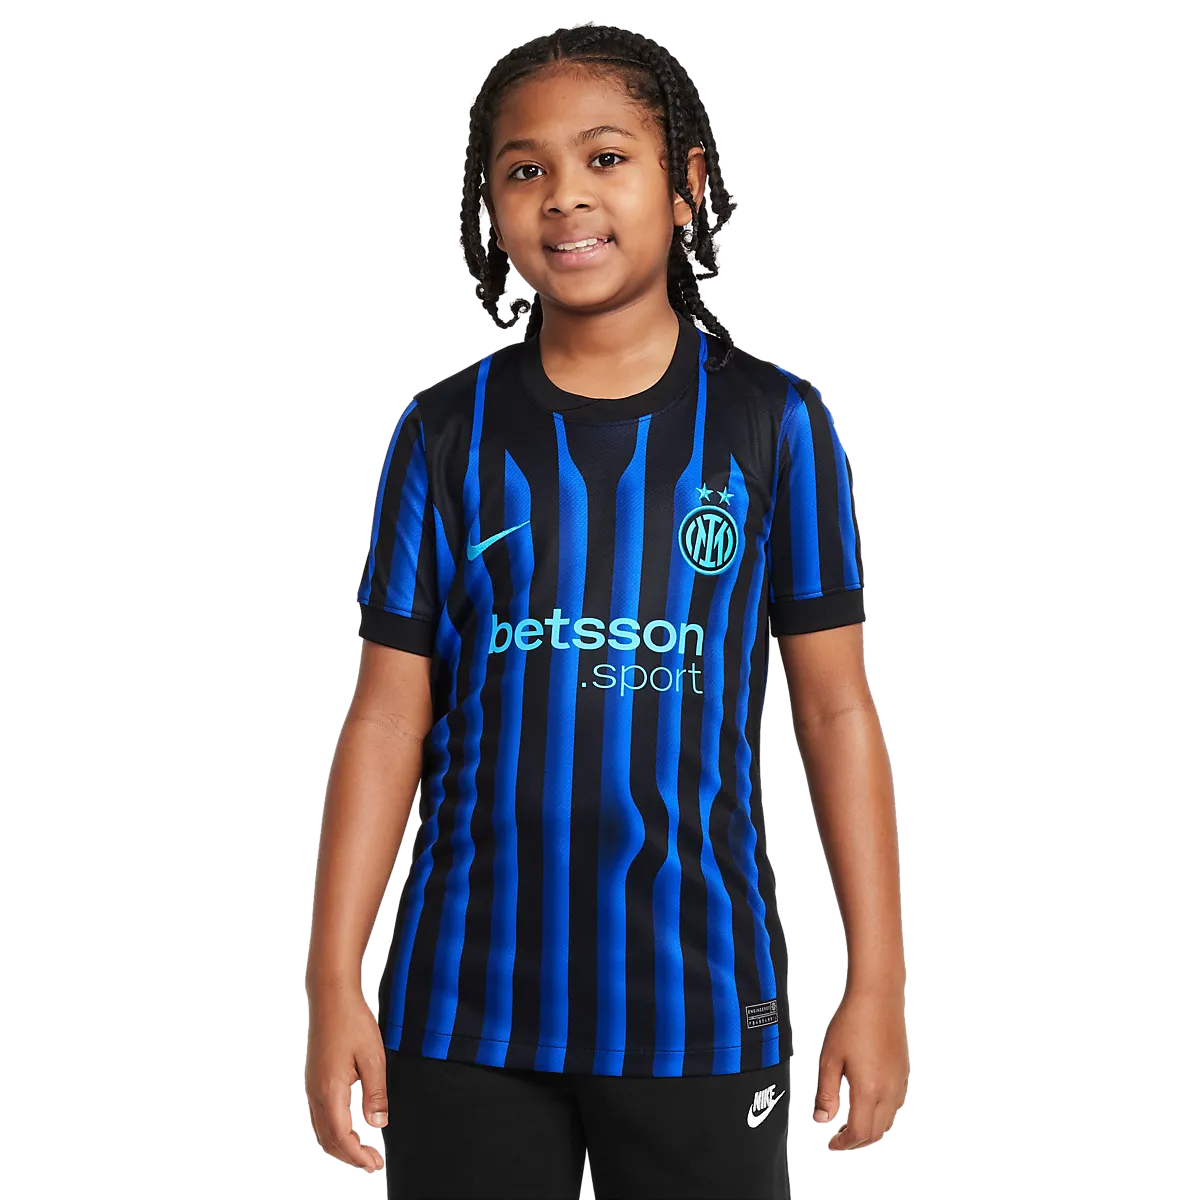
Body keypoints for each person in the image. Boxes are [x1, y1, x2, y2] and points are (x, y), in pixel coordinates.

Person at [305, 23, 908, 1197]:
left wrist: (877, 977)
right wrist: (333, 983)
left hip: (703, 1001)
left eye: (606, 158)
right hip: (462, 1003)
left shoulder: (776, 425)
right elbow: (384, 718)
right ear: (489, 206)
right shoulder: (443, 433)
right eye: (524, 168)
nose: (565, 196)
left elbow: (836, 713)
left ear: (687, 185)